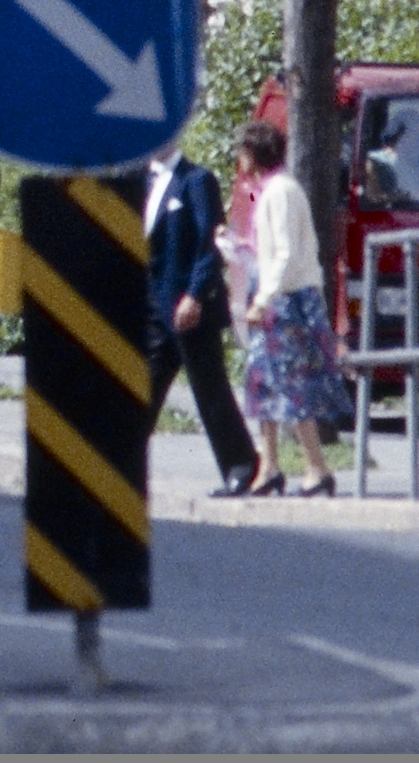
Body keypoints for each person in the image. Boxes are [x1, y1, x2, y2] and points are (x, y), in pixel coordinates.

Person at [231, 120, 346, 495]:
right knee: (263, 382)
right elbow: (272, 252)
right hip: (277, 295)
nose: (239, 159)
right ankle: (270, 466)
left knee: (292, 384)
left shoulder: (280, 191)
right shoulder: (269, 191)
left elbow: (284, 253)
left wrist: (263, 298)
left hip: (287, 301)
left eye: (242, 152)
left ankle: (316, 468)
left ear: (254, 154)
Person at [141, 140, 257, 496]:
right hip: (154, 308)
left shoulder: (196, 180)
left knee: (210, 390)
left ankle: (242, 467)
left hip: (191, 309)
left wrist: (194, 295)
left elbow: (209, 244)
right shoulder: (141, 181)